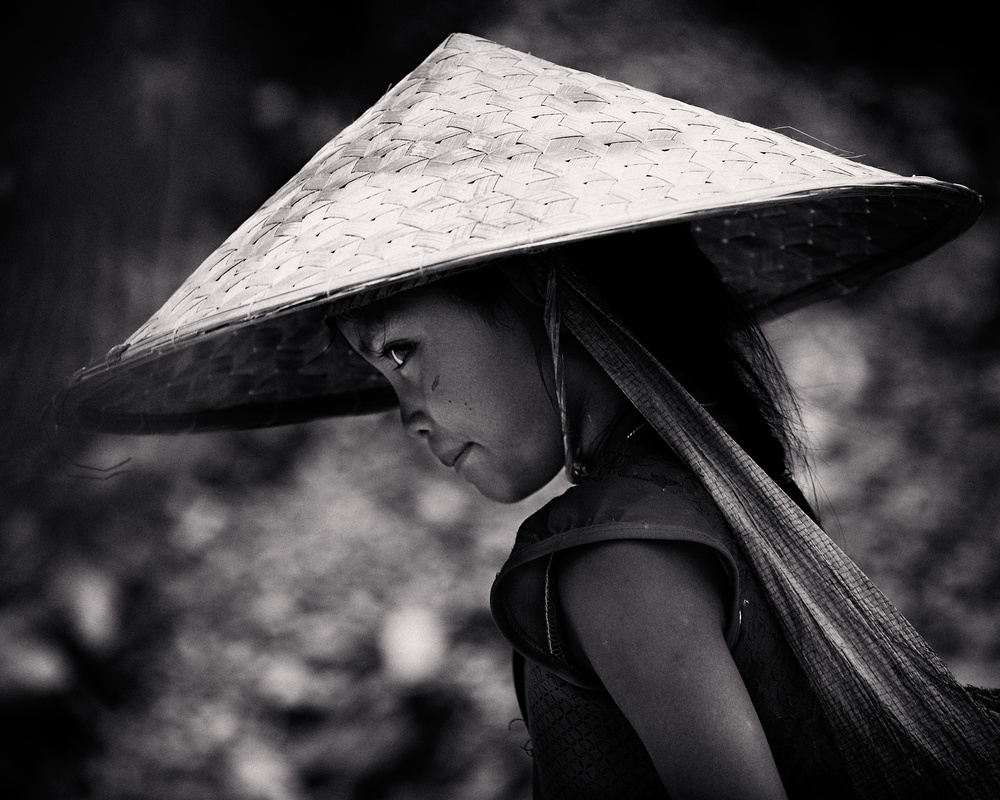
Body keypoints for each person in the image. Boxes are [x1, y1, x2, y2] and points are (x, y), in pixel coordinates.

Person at [56, 33, 1000, 799]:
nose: (407, 419)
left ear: (542, 300)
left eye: (402, 353)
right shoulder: (712, 503)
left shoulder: (614, 556)